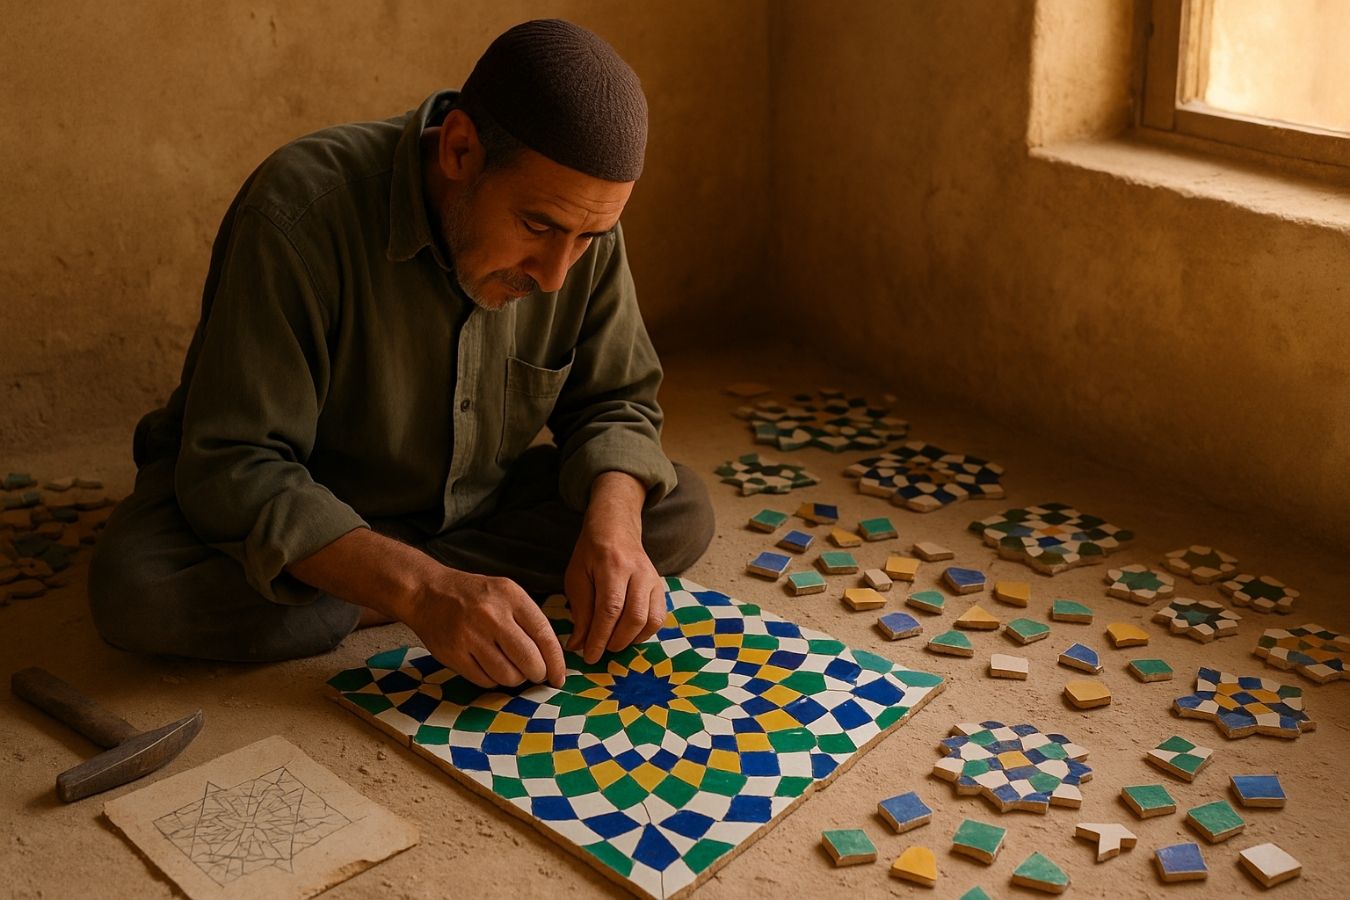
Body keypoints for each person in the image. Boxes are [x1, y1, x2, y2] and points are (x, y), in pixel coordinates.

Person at [88, 19, 716, 689]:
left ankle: (379, 590)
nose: (557, 274)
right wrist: (420, 591)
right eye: (538, 226)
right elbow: (236, 464)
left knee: (672, 512)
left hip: (467, 504)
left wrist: (613, 533)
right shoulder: (298, 211)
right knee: (141, 592)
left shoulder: (579, 230)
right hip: (309, 504)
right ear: (460, 150)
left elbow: (615, 402)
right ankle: (409, 583)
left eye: (590, 236)